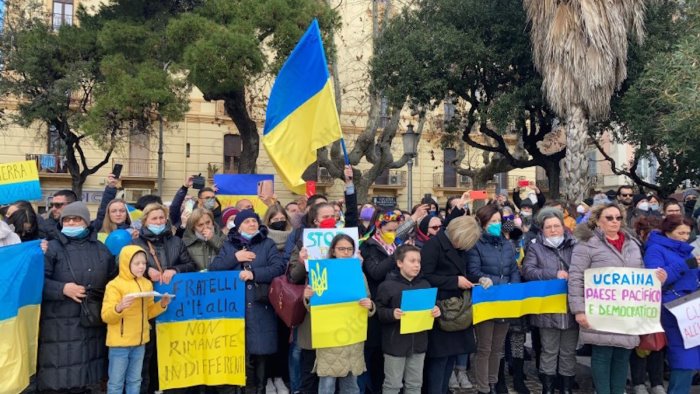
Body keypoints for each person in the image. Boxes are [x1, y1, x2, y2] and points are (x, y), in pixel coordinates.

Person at [569, 203, 667, 394]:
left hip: (626, 312)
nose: (615, 222)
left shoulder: (632, 244)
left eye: (618, 218)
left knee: (623, 355)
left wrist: (657, 280)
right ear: (598, 221)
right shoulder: (586, 245)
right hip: (600, 310)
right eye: (609, 218)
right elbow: (576, 277)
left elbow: (639, 276)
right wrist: (579, 309)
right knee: (603, 354)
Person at [38, 201, 116, 392]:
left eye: (76, 219)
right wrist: (62, 289)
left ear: (86, 222)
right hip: (59, 327)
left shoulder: (101, 249)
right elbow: (37, 283)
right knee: (62, 379)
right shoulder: (51, 249)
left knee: (90, 378)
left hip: (92, 325)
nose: (71, 223)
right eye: (67, 219)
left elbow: (113, 281)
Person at [210, 209, 286, 393]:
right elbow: (215, 268)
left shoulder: (267, 244)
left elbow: (279, 267)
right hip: (237, 306)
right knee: (240, 352)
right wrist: (235, 258)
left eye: (254, 221)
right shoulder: (229, 245)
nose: (252, 224)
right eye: (247, 222)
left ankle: (260, 389)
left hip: (261, 304)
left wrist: (254, 274)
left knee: (261, 353)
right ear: (239, 226)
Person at [132, 202, 198, 392]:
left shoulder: (177, 242)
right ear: (145, 221)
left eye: (162, 218)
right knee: (148, 355)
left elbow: (190, 266)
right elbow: (125, 269)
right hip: (147, 307)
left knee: (173, 351)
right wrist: (146, 270)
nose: (159, 221)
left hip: (175, 306)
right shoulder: (136, 244)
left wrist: (174, 269)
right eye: (154, 218)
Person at [303, 234, 375, 394]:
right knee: (327, 384)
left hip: (351, 336)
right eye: (341, 249)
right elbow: (312, 308)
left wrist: (369, 306)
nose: (346, 252)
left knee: (351, 384)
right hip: (329, 337)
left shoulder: (359, 274)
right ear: (333, 251)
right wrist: (308, 297)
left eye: (350, 249)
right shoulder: (320, 272)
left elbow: (368, 301)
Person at [421, 216, 481, 393]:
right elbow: (426, 276)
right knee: (439, 360)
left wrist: (478, 280)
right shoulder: (433, 246)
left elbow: (463, 274)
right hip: (441, 309)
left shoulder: (457, 248)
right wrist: (454, 281)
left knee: (450, 358)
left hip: (457, 311)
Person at [522, 208, 578, 394]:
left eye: (556, 226)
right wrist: (552, 274)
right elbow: (528, 271)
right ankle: (548, 387)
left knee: (569, 351)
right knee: (549, 350)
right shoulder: (535, 247)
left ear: (563, 226)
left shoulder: (575, 246)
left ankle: (566, 388)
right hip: (547, 308)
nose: (553, 230)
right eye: (548, 227)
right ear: (542, 229)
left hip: (571, 307)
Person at [101, 245, 171, 394]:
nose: (141, 267)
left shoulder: (146, 284)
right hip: (120, 344)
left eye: (144, 263)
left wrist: (162, 304)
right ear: (126, 263)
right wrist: (119, 307)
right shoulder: (114, 285)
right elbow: (106, 315)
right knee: (116, 383)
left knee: (135, 380)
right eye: (137, 263)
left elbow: (149, 313)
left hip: (140, 343)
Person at [467, 204, 521, 394]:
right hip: (486, 300)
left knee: (498, 348)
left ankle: (493, 382)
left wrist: (512, 286)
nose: (497, 225)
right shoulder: (475, 244)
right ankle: (483, 387)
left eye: (499, 221)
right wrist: (489, 280)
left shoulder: (506, 244)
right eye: (493, 222)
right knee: (484, 347)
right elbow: (473, 271)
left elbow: (514, 269)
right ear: (482, 224)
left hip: (504, 300)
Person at [644, 215, 699, 393]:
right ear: (668, 232)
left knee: (690, 356)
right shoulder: (655, 250)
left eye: (687, 233)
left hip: (691, 305)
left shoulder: (686, 251)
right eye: (680, 232)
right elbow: (656, 279)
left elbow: (691, 276)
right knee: (684, 356)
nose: (684, 237)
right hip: (673, 307)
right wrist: (685, 265)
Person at [375, 245, 440, 394]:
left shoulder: (425, 285)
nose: (417, 265)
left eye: (419, 261)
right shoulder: (387, 286)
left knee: (415, 384)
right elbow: (377, 311)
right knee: (393, 384)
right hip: (395, 344)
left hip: (419, 344)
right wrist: (392, 314)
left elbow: (432, 307)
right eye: (412, 261)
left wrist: (436, 311)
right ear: (399, 263)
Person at [629, 216, 665, 394]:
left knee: (656, 342)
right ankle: (639, 381)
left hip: (656, 301)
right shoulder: (634, 247)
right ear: (642, 233)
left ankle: (656, 381)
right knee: (640, 344)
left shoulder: (661, 248)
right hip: (636, 300)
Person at [262, 203, 293, 394]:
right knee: (267, 339)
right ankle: (266, 378)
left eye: (283, 219)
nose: (279, 222)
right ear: (268, 221)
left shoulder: (294, 238)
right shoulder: (263, 239)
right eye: (275, 220)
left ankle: (280, 377)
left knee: (283, 339)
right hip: (267, 295)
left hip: (288, 296)